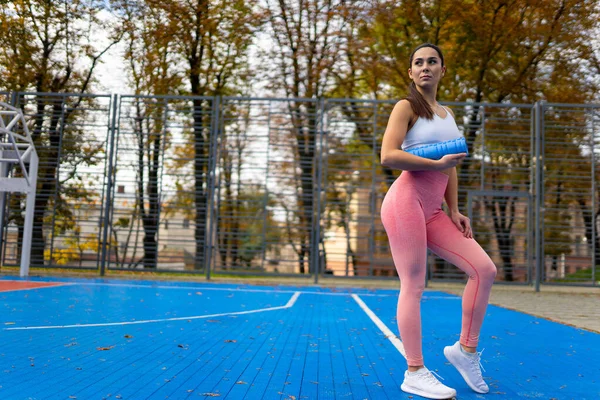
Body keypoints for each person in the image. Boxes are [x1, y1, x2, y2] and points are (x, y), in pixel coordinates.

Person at [379, 43, 497, 399]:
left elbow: (453, 166)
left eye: (432, 62)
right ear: (411, 73)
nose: (425, 67)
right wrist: (433, 165)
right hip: (405, 202)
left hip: (434, 210)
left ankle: (465, 350)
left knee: (484, 269)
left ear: (442, 70)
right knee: (414, 283)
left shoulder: (447, 115)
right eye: (418, 63)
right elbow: (388, 155)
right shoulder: (405, 107)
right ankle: (414, 370)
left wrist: (455, 209)